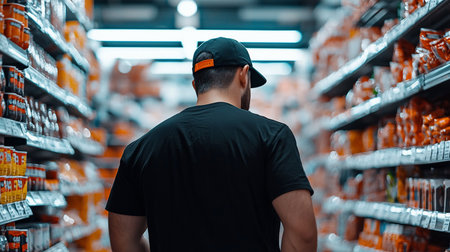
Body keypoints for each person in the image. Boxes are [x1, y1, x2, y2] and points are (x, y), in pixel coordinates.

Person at [106, 37, 317, 252]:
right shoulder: (272, 136)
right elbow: (303, 234)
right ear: (244, 76)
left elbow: (123, 239)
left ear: (195, 85)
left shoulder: (141, 149)